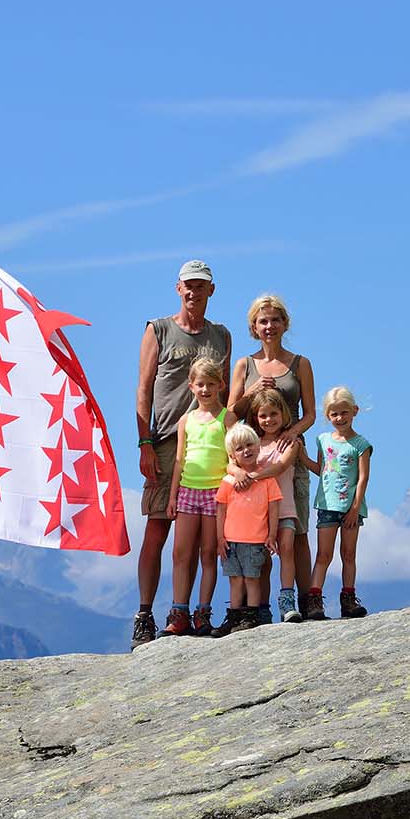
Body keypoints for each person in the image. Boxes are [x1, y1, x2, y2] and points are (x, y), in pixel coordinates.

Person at [132, 260, 232, 646]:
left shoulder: (221, 337)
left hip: (210, 445)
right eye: (188, 286)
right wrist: (144, 443)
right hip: (164, 441)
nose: (193, 292)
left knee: (200, 540)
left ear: (211, 290)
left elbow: (226, 394)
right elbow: (143, 390)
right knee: (157, 530)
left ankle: (185, 612)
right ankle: (144, 614)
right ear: (178, 289)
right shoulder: (158, 330)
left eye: (201, 286)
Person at [226, 294, 319, 621]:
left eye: (275, 320)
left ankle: (308, 601)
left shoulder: (300, 364)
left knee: (298, 530)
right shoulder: (244, 365)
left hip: (289, 451)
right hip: (255, 455)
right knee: (258, 535)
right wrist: (250, 393)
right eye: (263, 321)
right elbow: (230, 414)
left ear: (285, 324)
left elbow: (311, 413)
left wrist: (293, 432)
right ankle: (259, 607)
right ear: (254, 327)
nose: (269, 326)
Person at [242, 386, 323, 622]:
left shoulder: (291, 442)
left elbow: (280, 467)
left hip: (285, 506)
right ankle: (261, 606)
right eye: (263, 415)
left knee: (287, 548)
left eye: (274, 414)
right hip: (260, 511)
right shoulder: (253, 443)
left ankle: (287, 599)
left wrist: (253, 476)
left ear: (284, 414)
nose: (268, 420)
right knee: (263, 558)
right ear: (256, 418)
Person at [161, 356, 228, 636]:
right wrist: (173, 496)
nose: (205, 390)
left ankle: (203, 612)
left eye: (211, 384)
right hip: (188, 490)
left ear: (220, 385)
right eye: (200, 384)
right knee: (180, 553)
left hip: (216, 492)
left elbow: (233, 454)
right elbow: (179, 460)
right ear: (191, 386)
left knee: (209, 554)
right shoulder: (185, 420)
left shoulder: (227, 417)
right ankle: (179, 613)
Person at [310, 386, 373, 620]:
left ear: (354, 411)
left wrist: (355, 509)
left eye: (344, 413)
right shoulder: (322, 440)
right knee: (323, 555)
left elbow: (363, 477)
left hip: (351, 508)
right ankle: (314, 601)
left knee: (348, 553)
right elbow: (322, 470)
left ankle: (348, 599)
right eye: (334, 414)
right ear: (328, 416)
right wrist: (302, 458)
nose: (339, 418)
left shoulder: (360, 445)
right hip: (327, 505)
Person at [213, 422, 282, 635]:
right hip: (231, 541)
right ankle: (234, 617)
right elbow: (221, 512)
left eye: (250, 445)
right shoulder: (227, 482)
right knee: (235, 580)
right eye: (240, 448)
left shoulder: (267, 480)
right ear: (233, 456)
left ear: (258, 446)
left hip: (255, 541)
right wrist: (220, 539)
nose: (246, 450)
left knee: (252, 579)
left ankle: (251, 616)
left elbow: (274, 509)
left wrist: (271, 535)